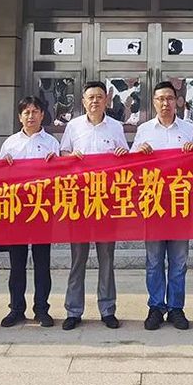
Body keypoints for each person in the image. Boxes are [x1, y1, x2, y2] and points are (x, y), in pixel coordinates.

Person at [59, 81, 129, 330]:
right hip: (79, 200)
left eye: (99, 97)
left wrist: (122, 155)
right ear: (83, 101)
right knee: (78, 258)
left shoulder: (116, 127)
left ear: (106, 100)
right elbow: (62, 155)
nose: (95, 101)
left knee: (106, 257)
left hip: (106, 201)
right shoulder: (73, 126)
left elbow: (126, 158)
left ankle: (107, 309)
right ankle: (73, 310)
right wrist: (71, 157)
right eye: (91, 97)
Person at [132, 81, 193, 331]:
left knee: (179, 261)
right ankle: (155, 307)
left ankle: (176, 308)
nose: (165, 103)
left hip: (181, 204)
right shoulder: (144, 130)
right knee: (154, 261)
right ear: (154, 102)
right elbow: (130, 166)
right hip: (153, 204)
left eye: (170, 98)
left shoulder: (188, 129)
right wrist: (139, 152)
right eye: (160, 99)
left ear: (177, 101)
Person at [0, 96, 61, 328]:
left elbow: (61, 177)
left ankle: (41, 309)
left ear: (42, 115)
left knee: (42, 262)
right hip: (17, 209)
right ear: (19, 117)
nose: (31, 116)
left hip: (43, 209)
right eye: (26, 112)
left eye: (35, 111)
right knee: (17, 263)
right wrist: (3, 165)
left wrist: (56, 163)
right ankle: (16, 309)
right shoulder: (10, 144)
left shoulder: (51, 143)